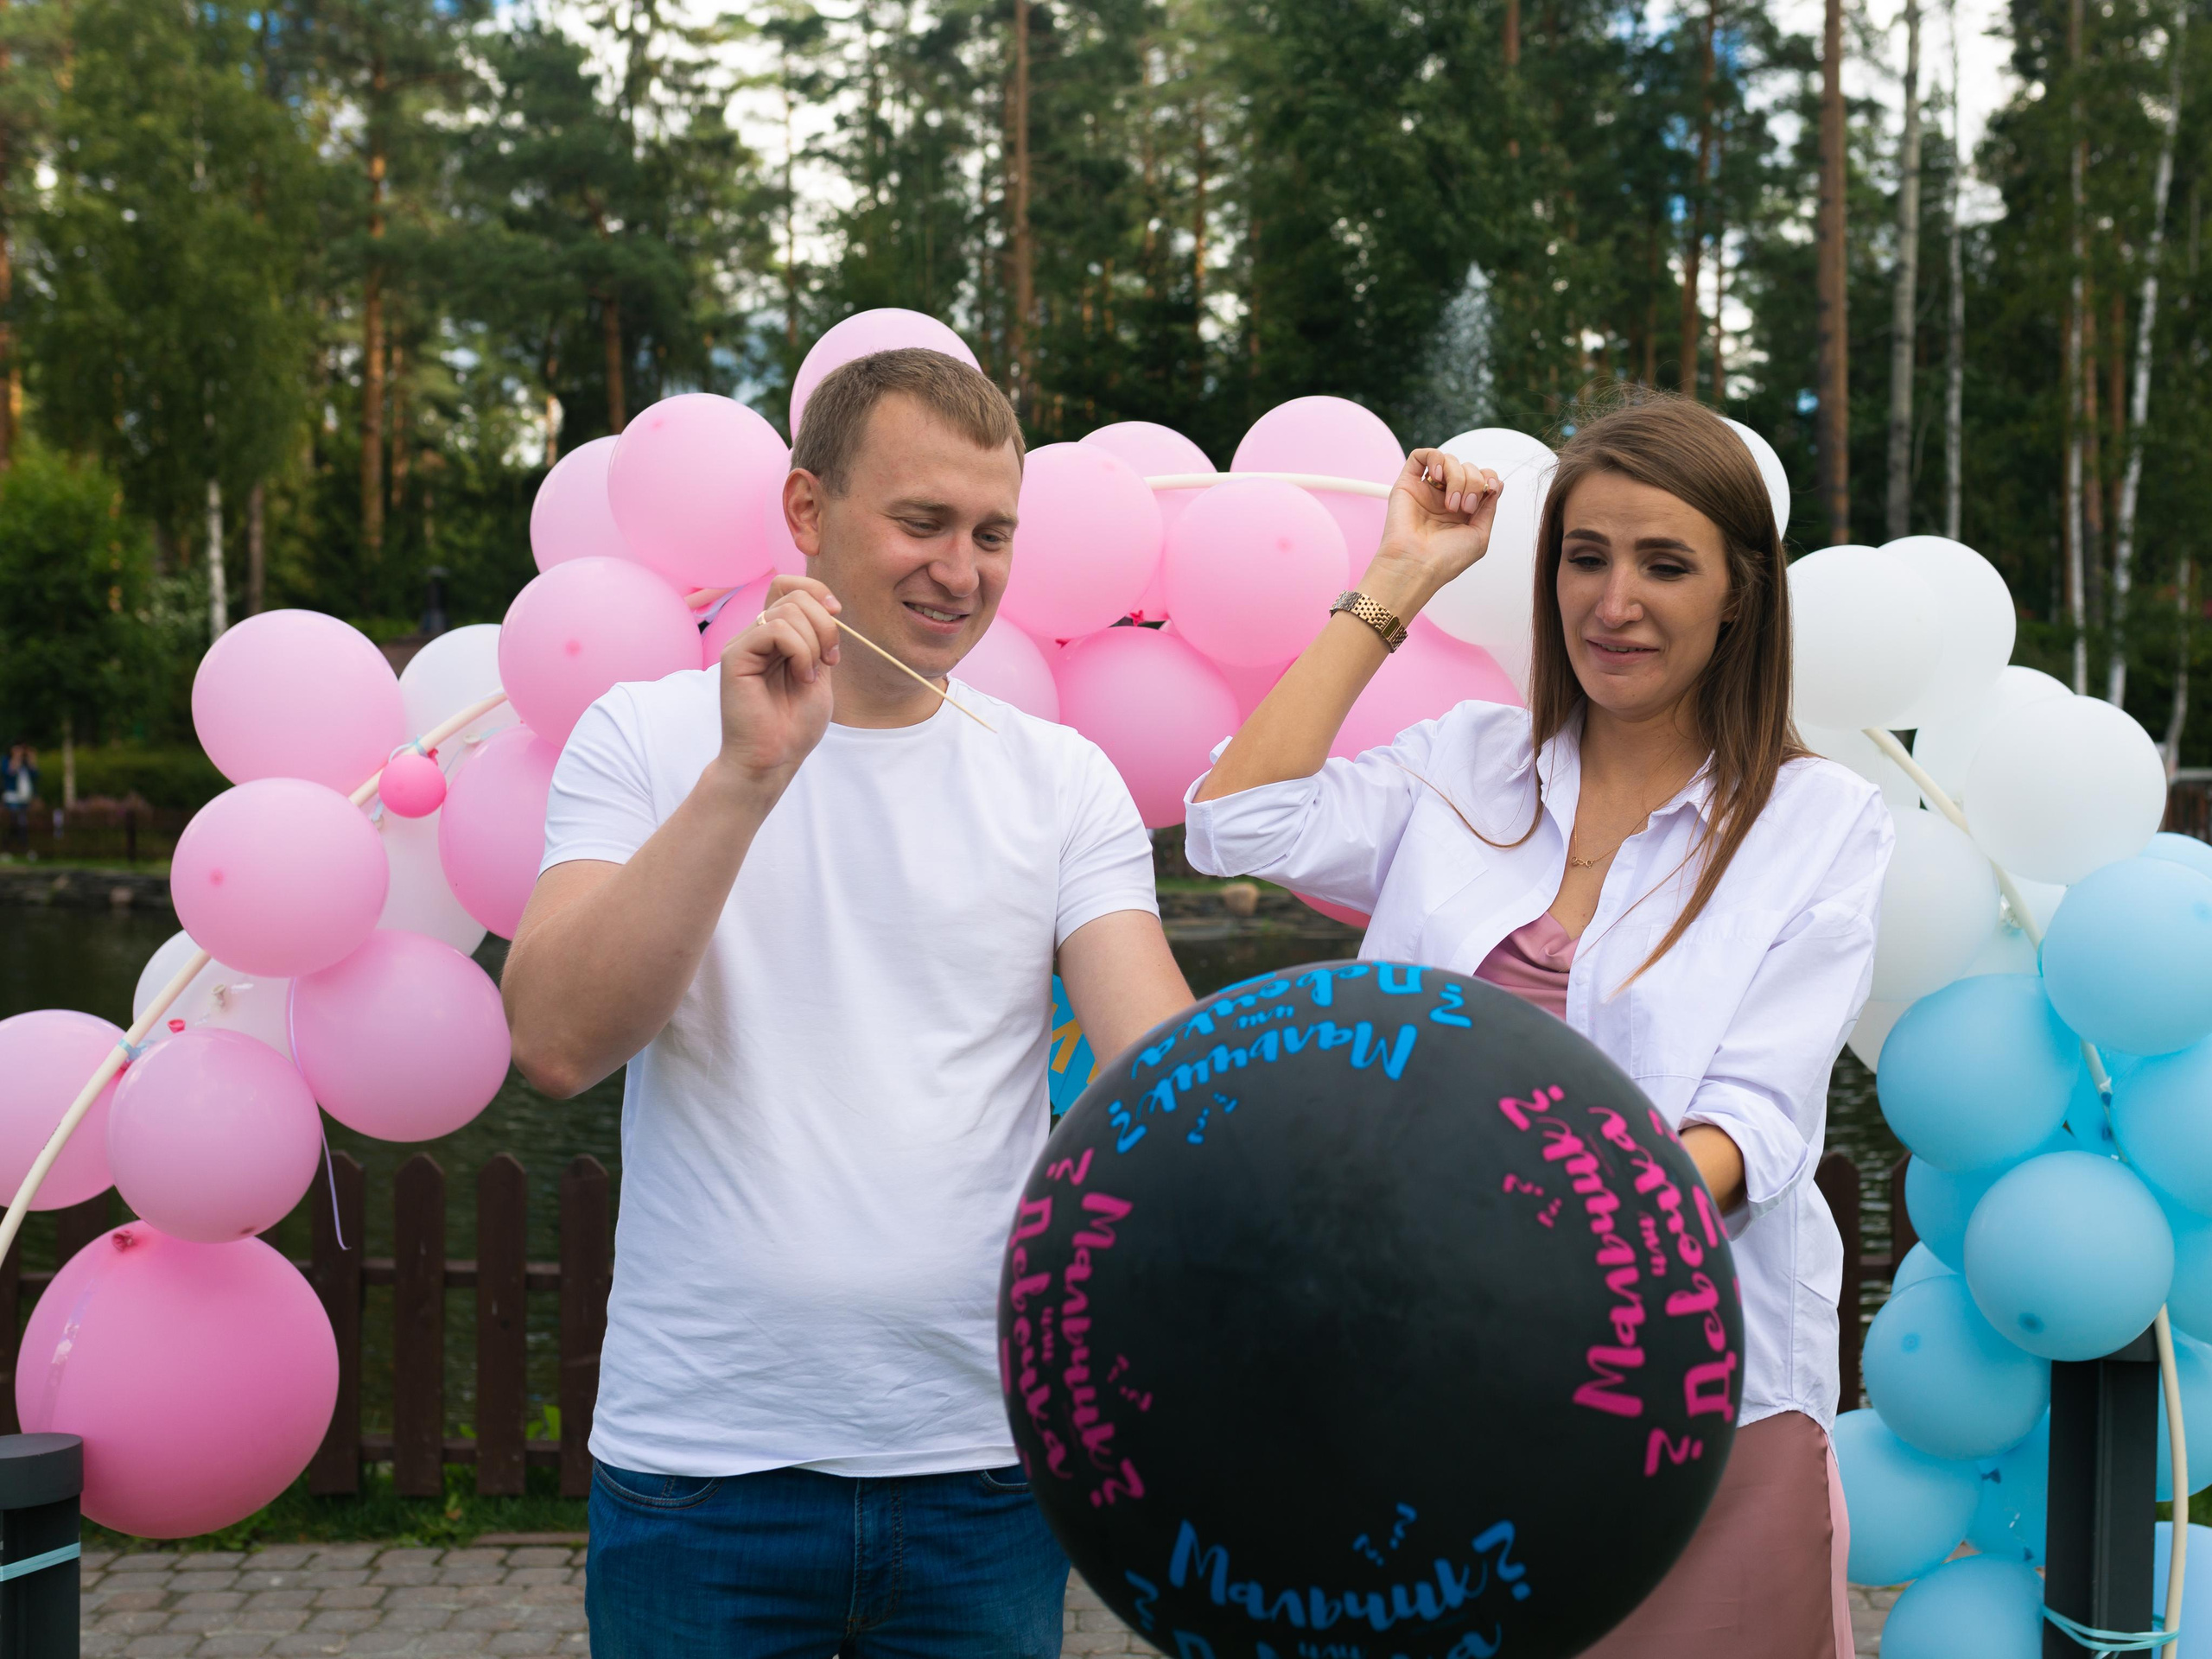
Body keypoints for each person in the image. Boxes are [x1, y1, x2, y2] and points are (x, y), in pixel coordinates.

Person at [502, 349, 1195, 1657]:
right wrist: (747, 776)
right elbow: (553, 1041)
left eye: (993, 533)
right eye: (922, 521)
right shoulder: (646, 738)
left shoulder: (1061, 782)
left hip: (982, 1468)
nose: (962, 569)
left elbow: (1161, 1073)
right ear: (809, 511)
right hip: (700, 1467)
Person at [1185, 392, 1891, 1658]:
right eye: (1584, 557)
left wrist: (1553, 1260)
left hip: (1686, 1400)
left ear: (1740, 593)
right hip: (1423, 1372)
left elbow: (1756, 1120)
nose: (1612, 602)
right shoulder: (1463, 763)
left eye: (1665, 563)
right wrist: (1399, 579)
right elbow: (1237, 827)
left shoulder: (1819, 822)